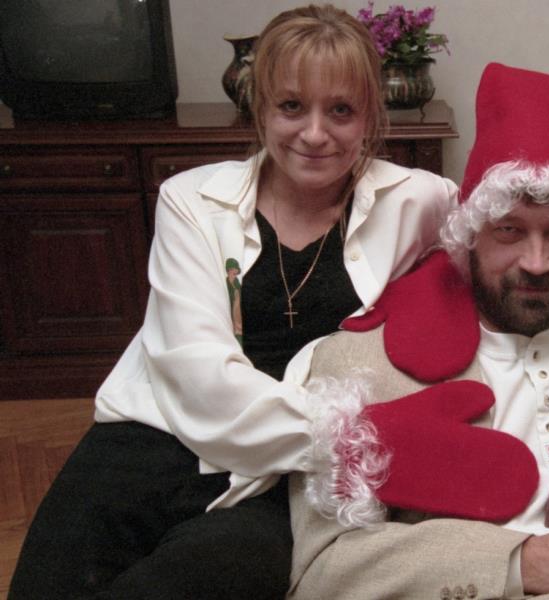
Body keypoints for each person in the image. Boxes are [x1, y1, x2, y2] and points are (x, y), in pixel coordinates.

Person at [9, 5, 456, 599]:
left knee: (205, 577)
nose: (315, 134)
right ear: (260, 106)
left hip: (284, 476)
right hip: (160, 431)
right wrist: (357, 435)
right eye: (291, 106)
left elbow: (508, 241)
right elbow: (198, 377)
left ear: (370, 116)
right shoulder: (191, 200)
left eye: (341, 110)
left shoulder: (419, 200)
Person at [286, 62, 549, 600]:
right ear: (470, 236)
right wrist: (521, 565)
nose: (536, 262)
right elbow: (323, 571)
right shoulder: (359, 368)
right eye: (509, 230)